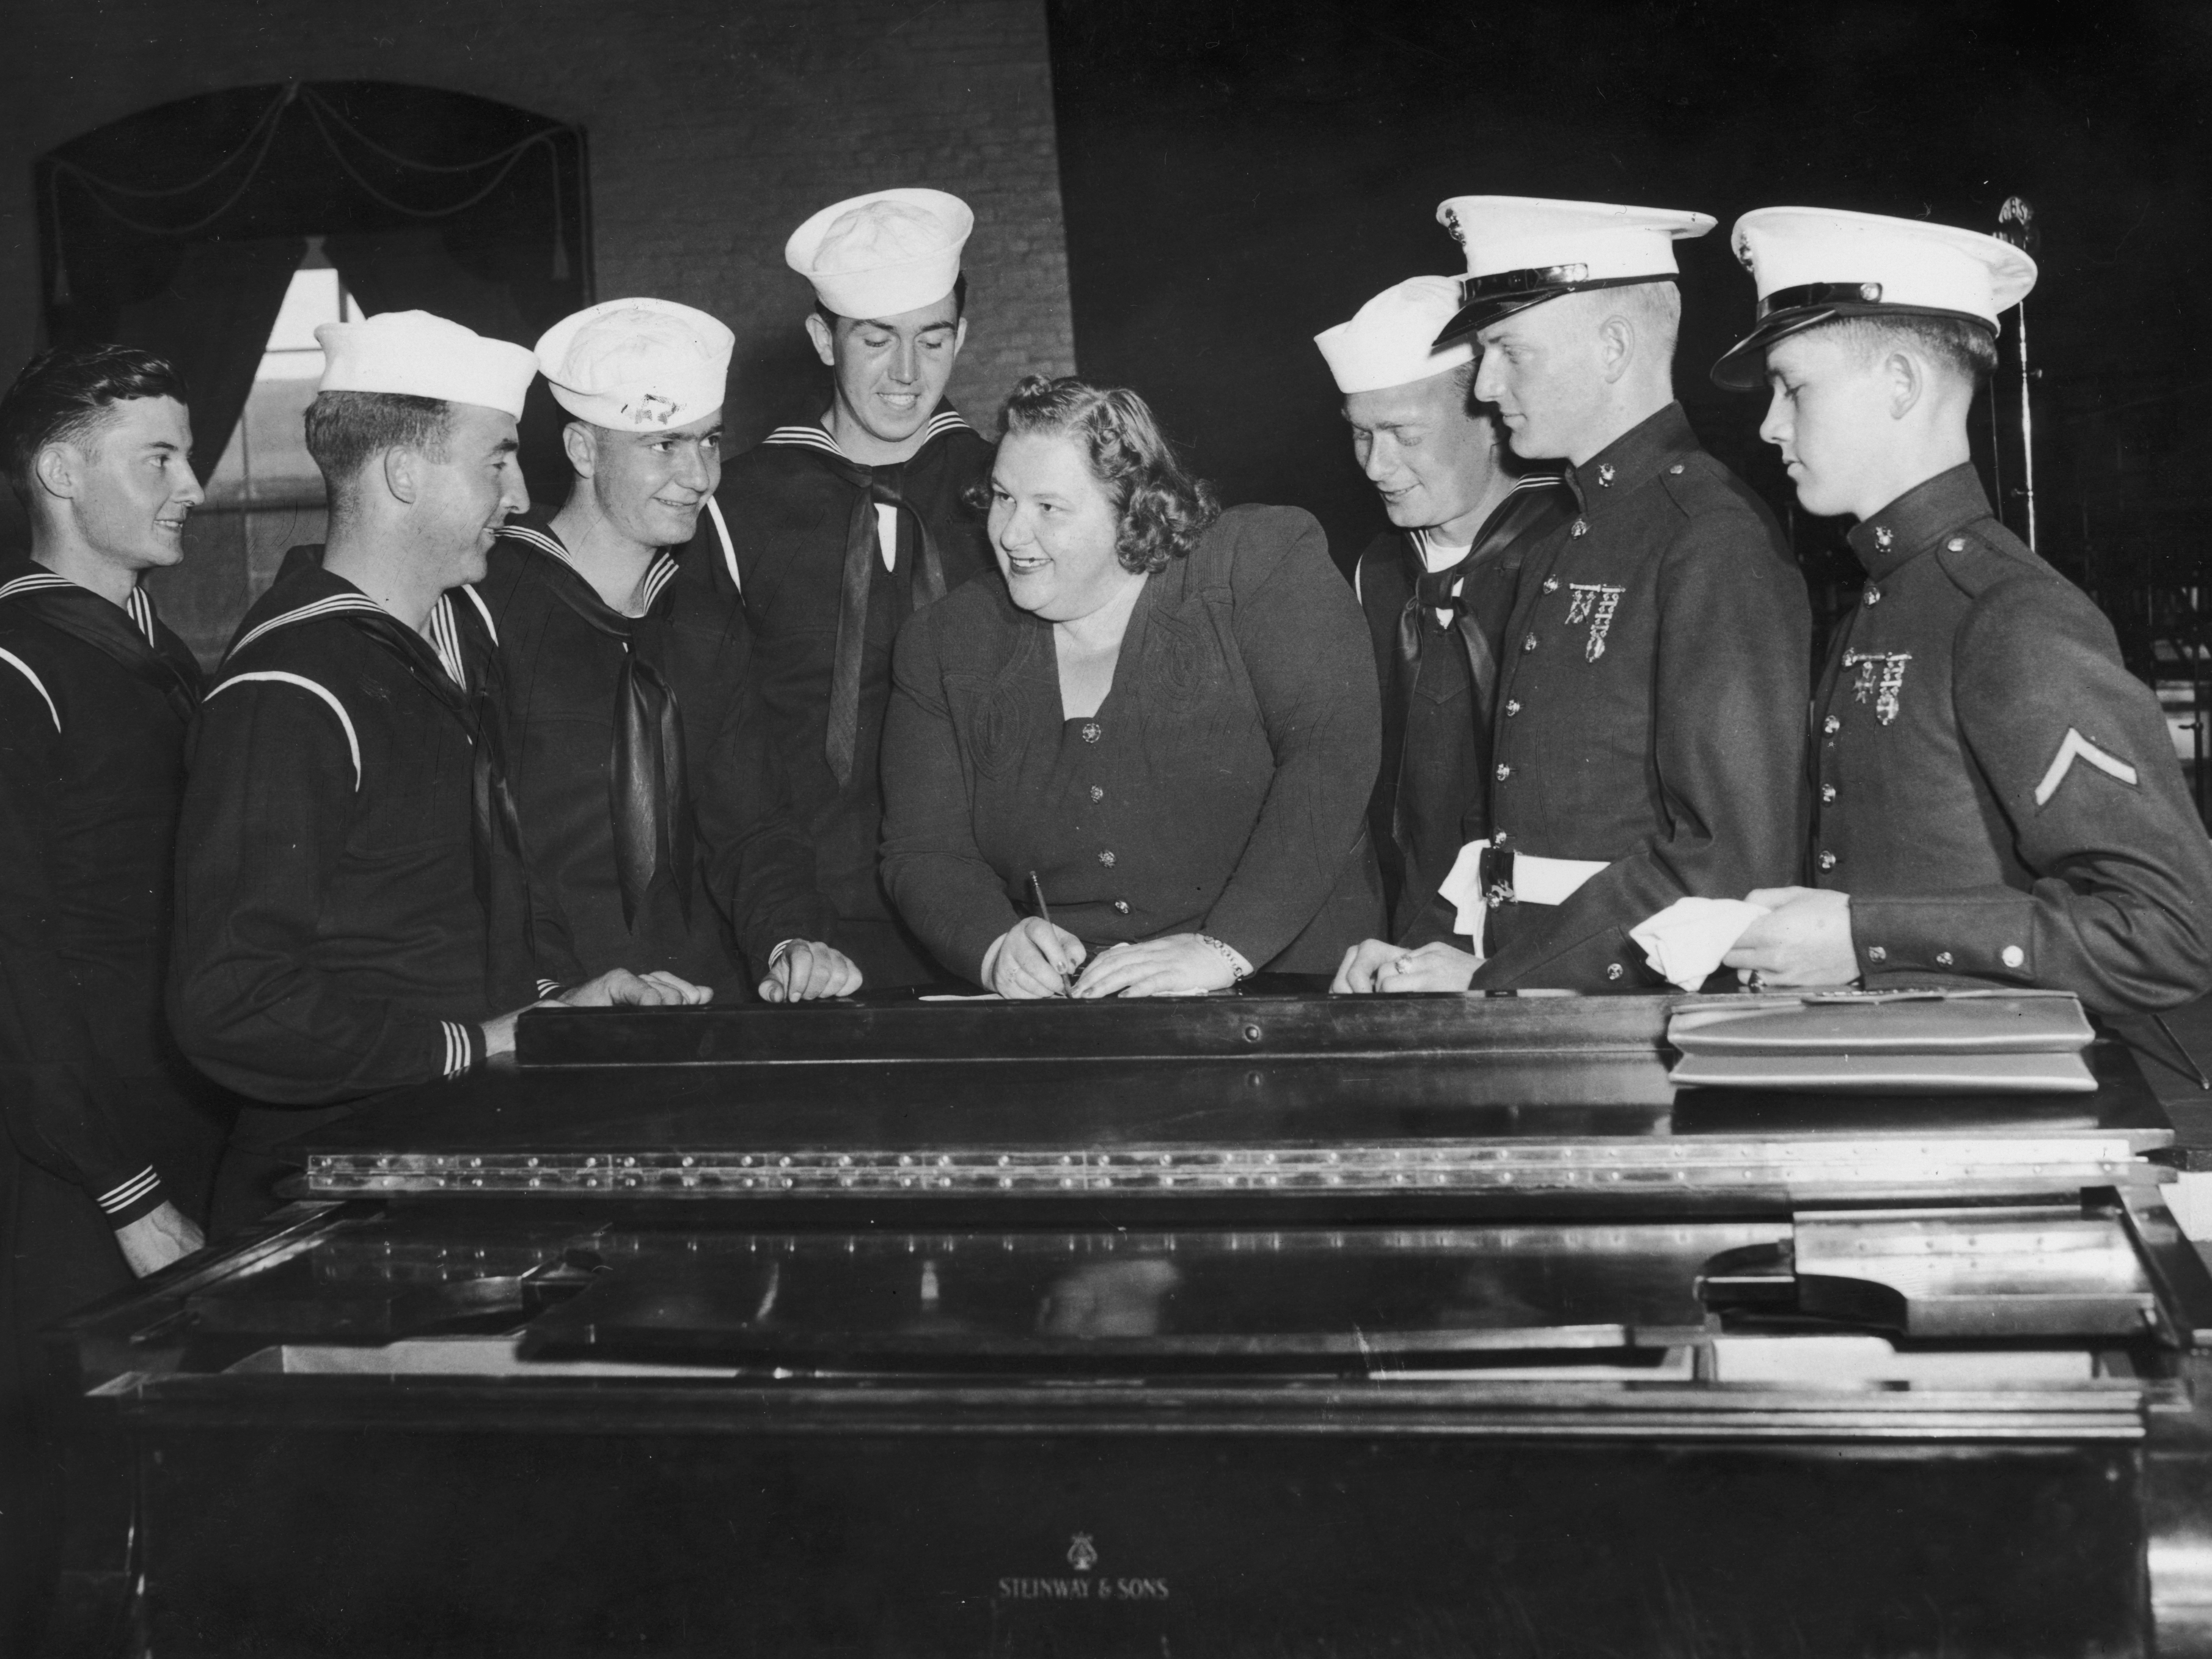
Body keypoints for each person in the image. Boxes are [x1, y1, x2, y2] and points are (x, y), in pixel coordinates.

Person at [169, 311, 706, 1231]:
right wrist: (470, 1042)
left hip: (442, 1159)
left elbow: (452, 914)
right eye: (496, 459)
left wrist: (554, 1003)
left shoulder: (445, 649)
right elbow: (232, 1001)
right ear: (403, 474)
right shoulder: (290, 687)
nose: (520, 491)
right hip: (327, 1199)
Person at [1713, 207, 2212, 1012]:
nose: (1771, 425)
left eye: (1793, 386)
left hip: (1991, 1108)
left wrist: (1862, 935)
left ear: (1902, 383)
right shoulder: (1890, 595)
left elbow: (2173, 931)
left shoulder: (2009, 615)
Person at [1338, 196, 1809, 994]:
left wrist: (1500, 977)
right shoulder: (1563, 537)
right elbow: (1516, 839)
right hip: (1544, 995)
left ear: (1614, 345)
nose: (1486, 384)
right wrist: (1424, 951)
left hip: (1635, 1019)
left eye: (1508, 350)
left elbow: (1727, 857)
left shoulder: (1709, 538)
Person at [881, 375, 1383, 998]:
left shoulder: (1255, 563)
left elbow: (1330, 758)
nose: (1010, 534)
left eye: (1048, 508)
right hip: (1085, 1012)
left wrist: (1224, 950)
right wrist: (994, 948)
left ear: (1131, 508)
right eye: (1002, 498)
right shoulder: (944, 642)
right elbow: (925, 849)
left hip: (1288, 984)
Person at [0, 344, 220, 1654]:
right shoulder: (19, 662)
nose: (191, 483)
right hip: (73, 1178)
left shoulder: (163, 656)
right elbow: (13, 964)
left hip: (172, 1144)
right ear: (60, 475)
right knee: (65, 1539)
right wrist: (126, 1196)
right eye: (160, 457)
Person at [484, 298, 859, 1005]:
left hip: (700, 999)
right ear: (582, 450)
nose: (701, 477)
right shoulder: (489, 609)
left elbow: (753, 824)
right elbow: (481, 855)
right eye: (665, 446)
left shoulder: (704, 617)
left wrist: (789, 941)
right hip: (554, 1002)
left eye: (710, 441)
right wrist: (558, 995)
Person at [689, 188, 997, 988]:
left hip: (1002, 925)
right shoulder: (735, 508)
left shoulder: (1013, 494)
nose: (906, 373)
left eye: (932, 339)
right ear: (823, 340)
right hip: (815, 934)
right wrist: (786, 931)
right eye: (876, 339)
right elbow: (729, 761)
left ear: (961, 337)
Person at [1313, 275, 1570, 948]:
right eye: (1360, 434)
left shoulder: (1568, 549)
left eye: (1403, 433)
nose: (1375, 465)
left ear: (1492, 421)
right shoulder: (1377, 569)